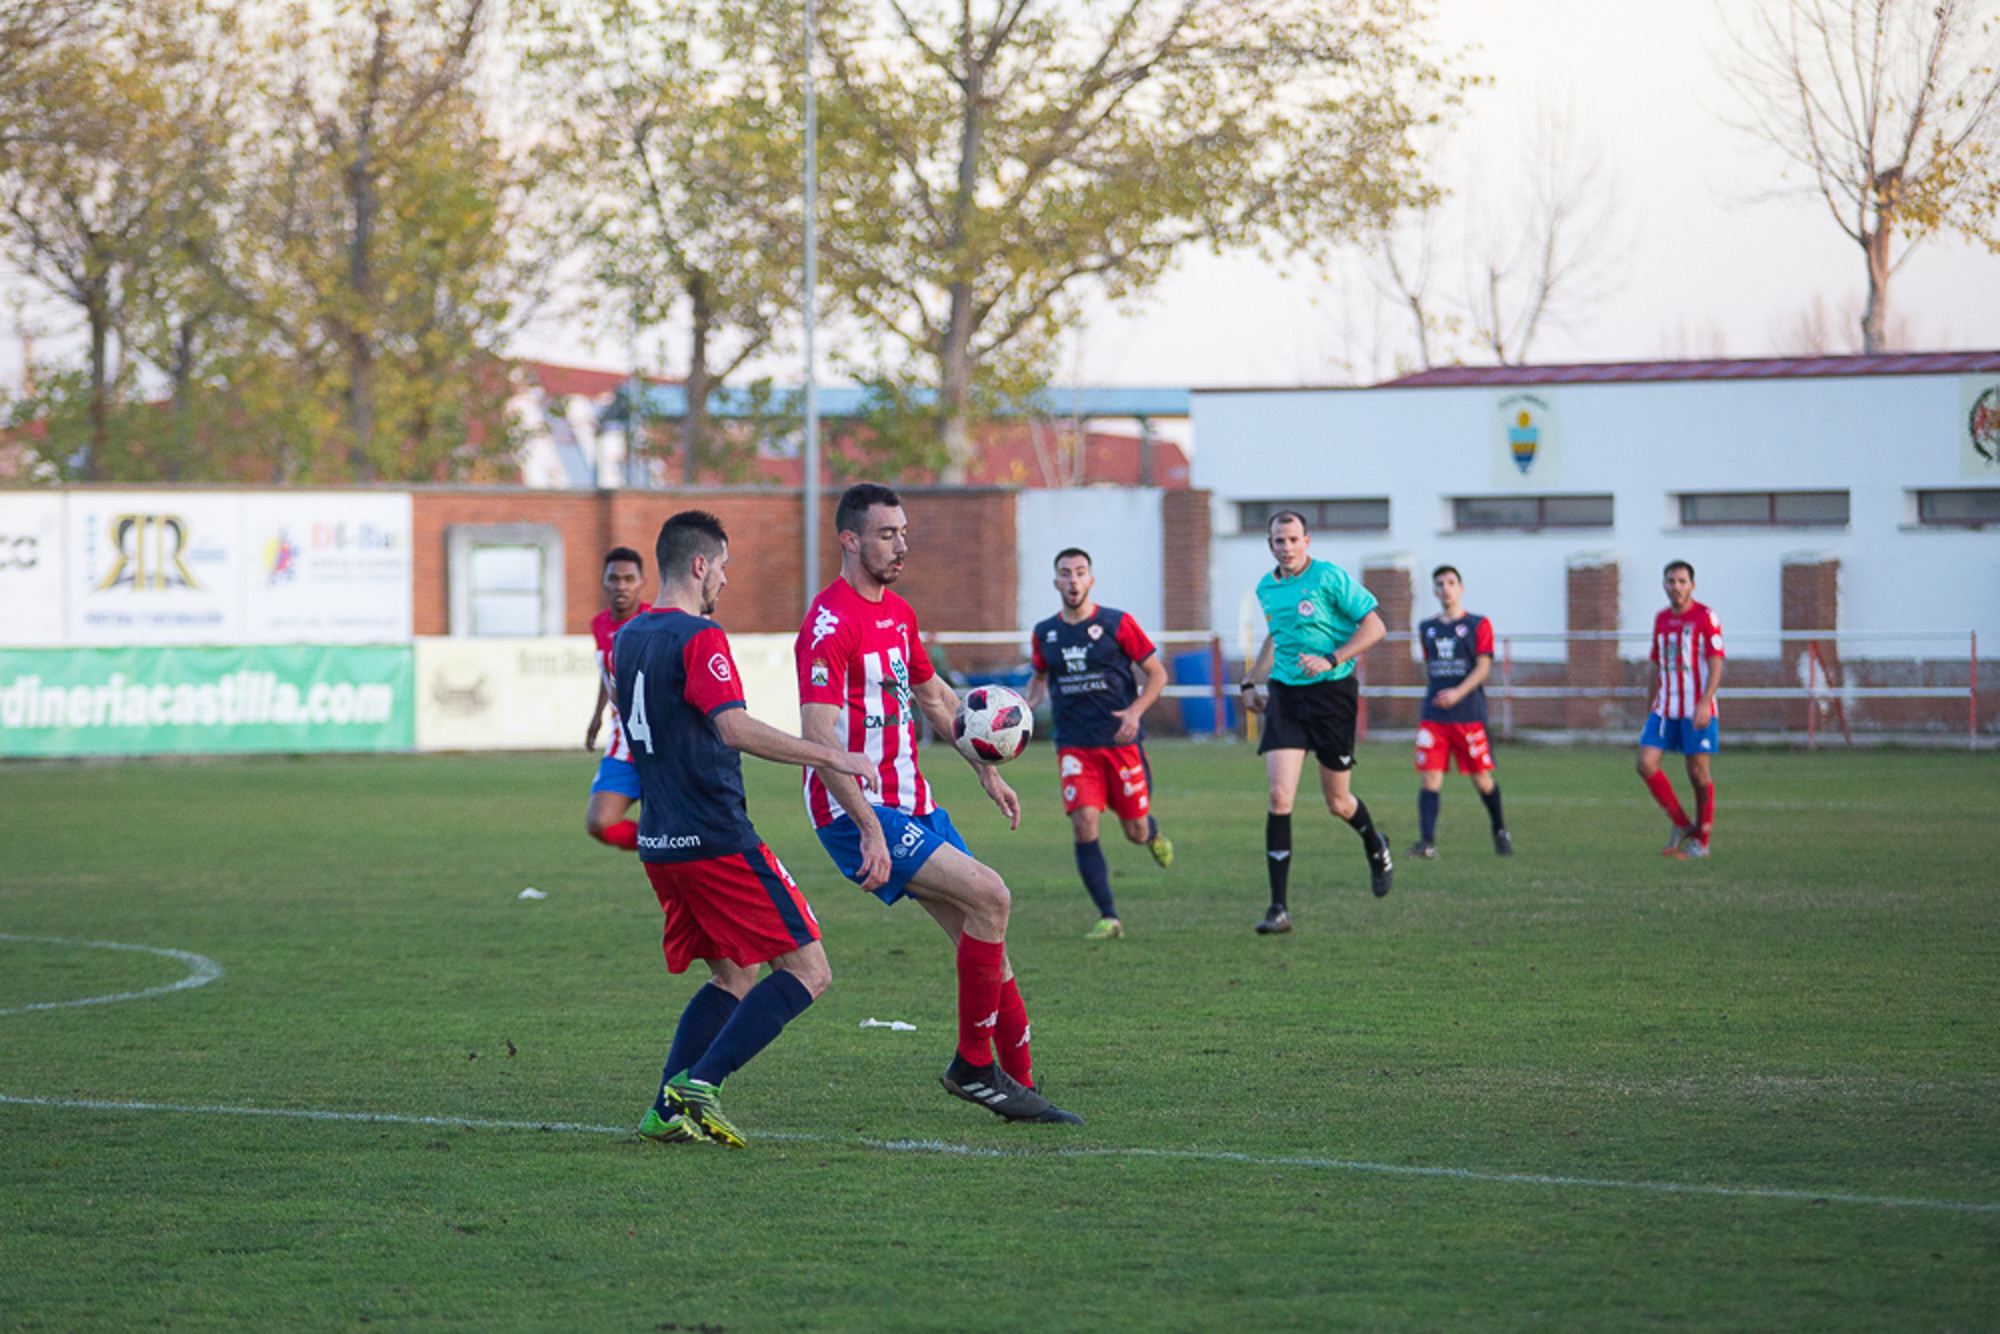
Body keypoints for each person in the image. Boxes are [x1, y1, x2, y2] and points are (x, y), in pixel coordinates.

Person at [796, 482, 1083, 1125]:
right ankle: (973, 1068)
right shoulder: (828, 625)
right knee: (993, 894)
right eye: (886, 535)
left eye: (903, 533)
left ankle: (1020, 1086)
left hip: (913, 803)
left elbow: (936, 700)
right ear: (850, 539)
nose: (901, 546)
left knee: (988, 938)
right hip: (857, 809)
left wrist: (985, 770)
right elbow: (818, 741)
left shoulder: (897, 614)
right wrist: (869, 827)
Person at [618, 510, 880, 1149]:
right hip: (715, 839)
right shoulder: (699, 638)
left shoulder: (627, 637)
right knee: (810, 969)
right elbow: (732, 727)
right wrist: (832, 755)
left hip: (660, 842)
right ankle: (702, 1083)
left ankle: (664, 1110)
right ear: (700, 565)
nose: (727, 581)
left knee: (734, 974)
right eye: (724, 567)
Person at [1239, 510, 1393, 934]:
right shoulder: (1266, 588)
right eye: (1277, 541)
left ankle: (1374, 843)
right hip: (1286, 696)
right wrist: (1251, 680)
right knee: (1278, 796)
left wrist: (1331, 658)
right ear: (1269, 544)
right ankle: (1278, 909)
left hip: (1332, 697)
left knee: (1337, 803)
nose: (1285, 548)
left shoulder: (1329, 577)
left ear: (1307, 541)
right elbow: (1277, 636)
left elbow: (1376, 627)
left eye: (1292, 540)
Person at [1023, 547, 1173, 940]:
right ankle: (1109, 916)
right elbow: (1039, 680)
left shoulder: (1117, 623)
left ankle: (1152, 833)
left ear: (1090, 579)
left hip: (1120, 743)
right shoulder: (1045, 633)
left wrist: (1135, 712)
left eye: (1080, 573)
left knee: (1135, 832)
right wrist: (1024, 707)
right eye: (1065, 574)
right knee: (1084, 823)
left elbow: (1156, 674)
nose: (1073, 580)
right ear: (1056, 582)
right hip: (1074, 744)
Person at [1409, 565, 1512, 858]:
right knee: (1430, 778)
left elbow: (1483, 667)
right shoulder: (1427, 628)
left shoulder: (1479, 625)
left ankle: (1500, 830)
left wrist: (1457, 693)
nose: (1446, 588)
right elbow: (1432, 666)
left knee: (1481, 778)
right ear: (1434, 590)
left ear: (1461, 588)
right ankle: (1427, 842)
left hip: (1468, 715)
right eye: (1440, 584)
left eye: (1451, 583)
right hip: (1434, 716)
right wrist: (1442, 695)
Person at [1638, 559, 1725, 858]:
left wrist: (1705, 702)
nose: (1676, 587)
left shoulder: (1705, 617)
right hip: (1664, 708)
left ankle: (1702, 839)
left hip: (1695, 709)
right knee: (1645, 763)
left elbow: (1716, 663)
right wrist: (1650, 702)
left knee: (1698, 773)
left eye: (1681, 581)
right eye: (1671, 581)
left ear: (1692, 585)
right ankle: (1681, 823)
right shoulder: (1661, 619)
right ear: (1664, 584)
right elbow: (1655, 663)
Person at [585, 546, 650, 851]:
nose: (621, 585)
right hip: (622, 744)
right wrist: (597, 716)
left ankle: (674, 846)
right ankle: (660, 844)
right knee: (599, 822)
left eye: (629, 578)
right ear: (604, 581)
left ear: (641, 581)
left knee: (677, 822)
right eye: (614, 578)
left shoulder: (654, 621)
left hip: (660, 745)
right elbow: (606, 673)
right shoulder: (599, 624)